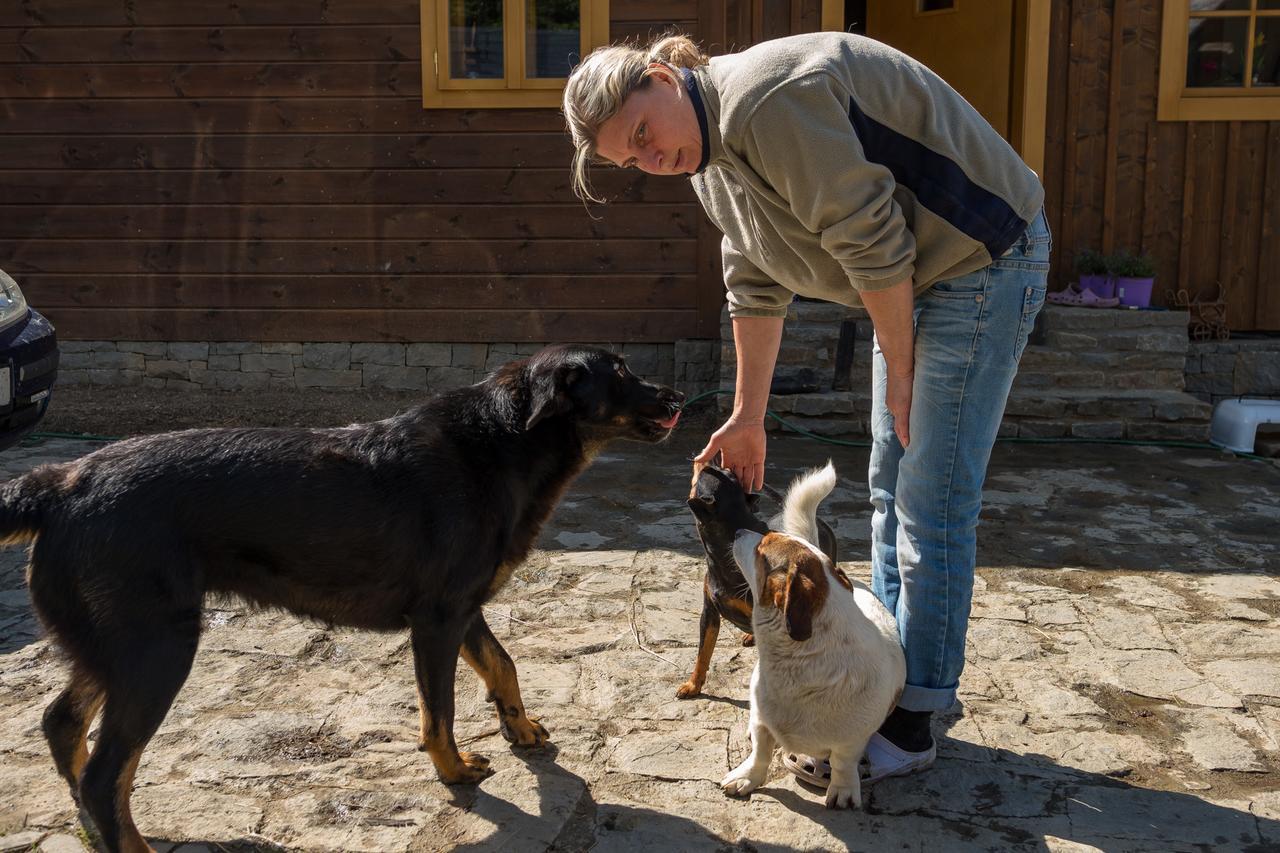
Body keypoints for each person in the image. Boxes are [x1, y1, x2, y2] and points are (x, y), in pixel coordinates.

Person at [563, 31, 1048, 787]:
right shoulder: (709, 161)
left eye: (643, 135)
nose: (651, 161)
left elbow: (874, 240)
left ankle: (912, 718)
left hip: (982, 259)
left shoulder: (767, 100)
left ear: (661, 78)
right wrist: (747, 412)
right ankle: (883, 682)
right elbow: (754, 278)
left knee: (932, 499)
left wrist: (900, 372)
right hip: (913, 279)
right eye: (634, 162)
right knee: (890, 489)